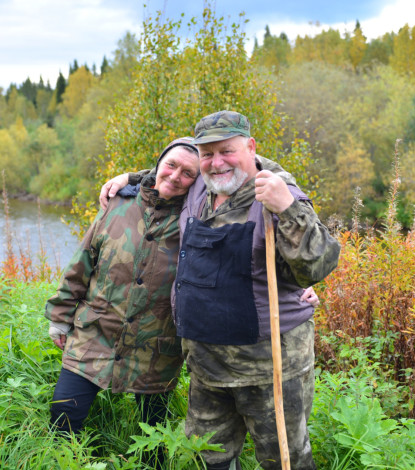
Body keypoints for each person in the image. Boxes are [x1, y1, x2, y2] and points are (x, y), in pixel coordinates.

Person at [101, 110, 340, 470]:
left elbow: (320, 264)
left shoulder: (276, 193)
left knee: (284, 461)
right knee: (207, 459)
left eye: (226, 151)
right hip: (206, 366)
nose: (216, 163)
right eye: (207, 153)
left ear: (250, 147)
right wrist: (131, 178)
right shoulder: (200, 184)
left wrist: (288, 209)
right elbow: (170, 173)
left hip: (269, 368)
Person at [45, 137, 200, 443]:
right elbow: (82, 262)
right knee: (63, 419)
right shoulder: (118, 204)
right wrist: (60, 315)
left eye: (188, 173)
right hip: (94, 335)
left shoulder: (196, 221)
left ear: (198, 182)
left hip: (157, 348)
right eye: (170, 164)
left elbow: (239, 167)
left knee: (154, 442)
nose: (175, 176)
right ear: (158, 164)